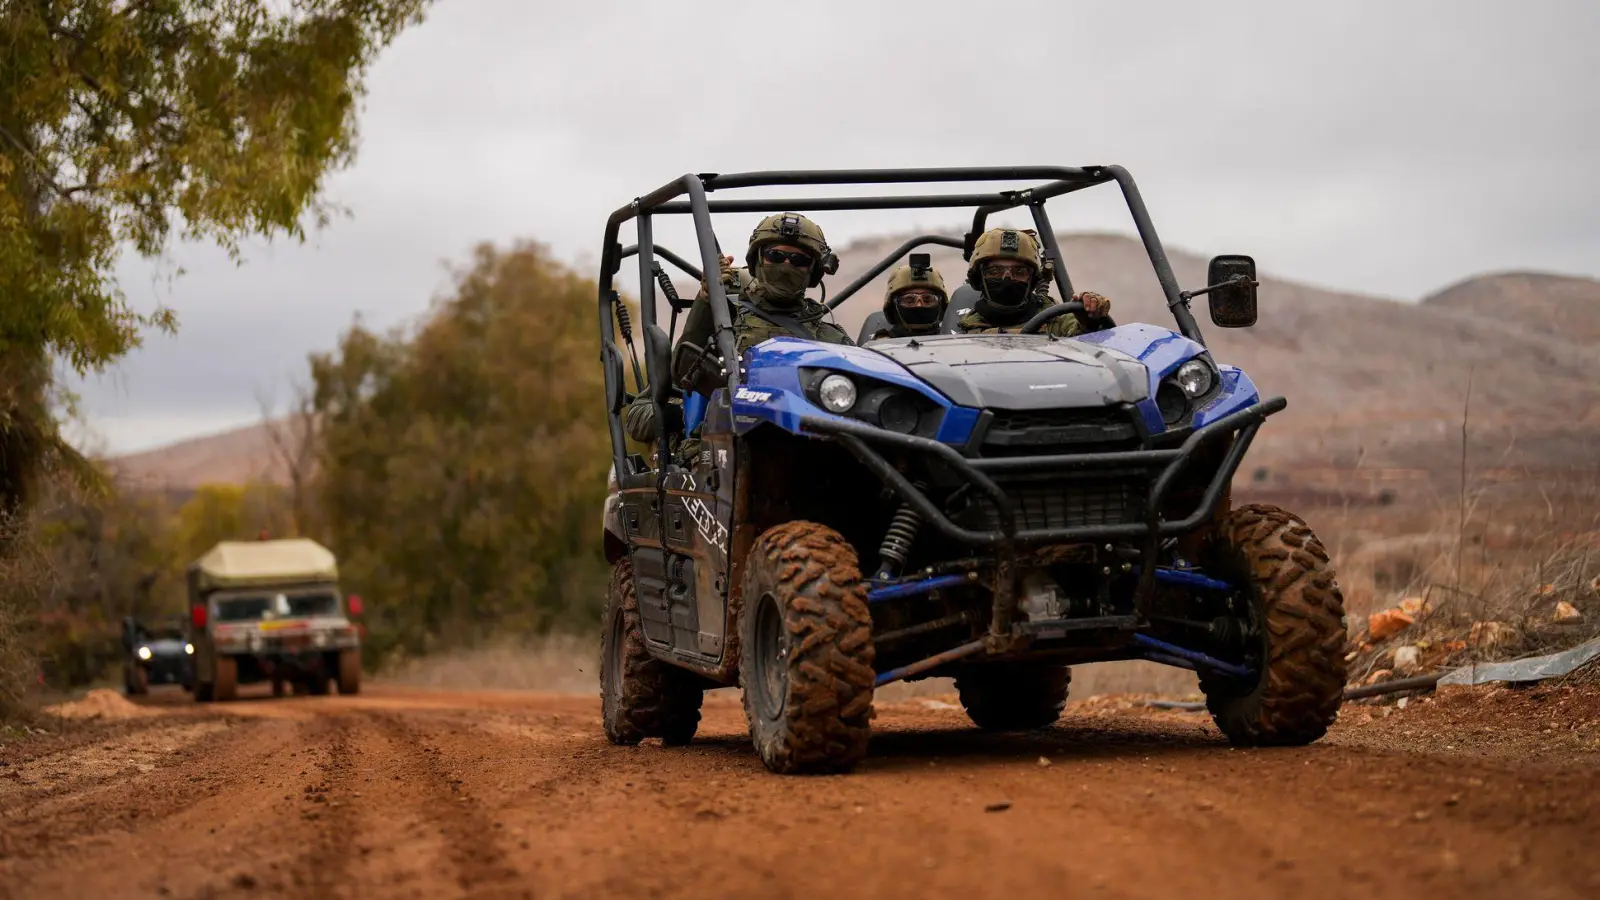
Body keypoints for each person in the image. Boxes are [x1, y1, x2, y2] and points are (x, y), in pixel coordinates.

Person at [622, 212, 849, 454]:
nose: (785, 266)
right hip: (722, 463)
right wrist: (684, 415)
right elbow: (638, 416)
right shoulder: (720, 322)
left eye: (798, 260)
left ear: (814, 270)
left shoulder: (831, 339)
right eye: (775, 255)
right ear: (758, 259)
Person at [954, 227, 1114, 336]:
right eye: (995, 271)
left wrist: (1090, 320)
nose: (1007, 278)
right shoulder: (964, 331)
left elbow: (1089, 344)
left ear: (1033, 279)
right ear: (980, 277)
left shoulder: (1056, 321)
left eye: (1019, 272)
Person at [869, 261, 950, 340]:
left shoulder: (954, 341)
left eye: (928, 300)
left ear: (941, 305)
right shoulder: (879, 348)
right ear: (893, 306)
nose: (919, 305)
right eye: (909, 300)